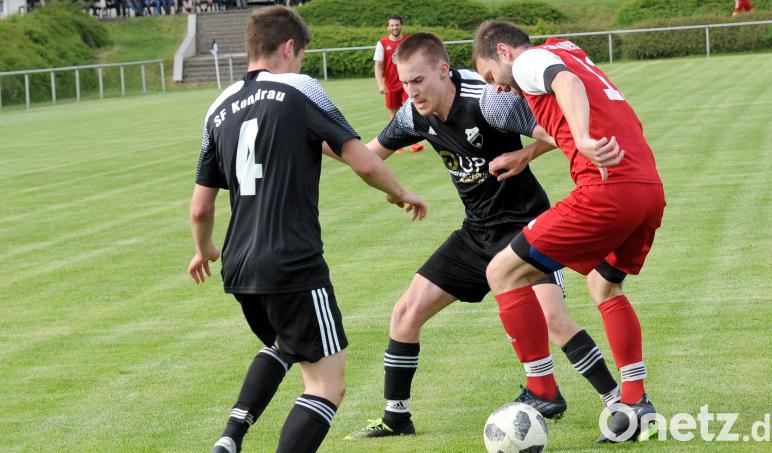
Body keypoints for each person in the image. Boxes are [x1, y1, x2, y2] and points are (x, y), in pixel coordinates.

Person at [333, 33, 621, 440]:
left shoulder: (488, 99)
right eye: (404, 82)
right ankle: (396, 417)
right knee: (405, 312)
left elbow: (559, 133)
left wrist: (524, 154)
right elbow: (366, 157)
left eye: (418, 80)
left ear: (442, 69)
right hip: (476, 232)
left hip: (525, 225)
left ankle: (619, 404)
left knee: (554, 320)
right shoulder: (413, 116)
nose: (410, 91)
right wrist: (317, 139)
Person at [188, 7, 427, 453]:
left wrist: (204, 251)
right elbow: (361, 159)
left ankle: (229, 439)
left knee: (284, 344)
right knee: (326, 385)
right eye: (300, 56)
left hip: (240, 266)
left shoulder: (217, 107)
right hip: (292, 261)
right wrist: (400, 192)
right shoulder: (301, 88)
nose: (300, 65)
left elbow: (202, 207)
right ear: (288, 48)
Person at [472, 21, 665, 443]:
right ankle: (635, 403)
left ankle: (542, 388)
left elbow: (566, 84)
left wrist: (582, 138)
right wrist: (528, 151)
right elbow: (571, 86)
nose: (497, 88)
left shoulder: (526, 62)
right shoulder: (566, 47)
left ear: (503, 51)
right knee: (604, 286)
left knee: (502, 272)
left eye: (490, 76)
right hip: (647, 189)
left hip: (606, 189)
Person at [373, 14, 424, 153]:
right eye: (392, 25)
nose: (395, 27)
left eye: (397, 25)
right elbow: (378, 65)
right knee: (394, 113)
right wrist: (380, 84)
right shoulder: (382, 43)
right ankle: (397, 144)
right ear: (388, 27)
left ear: (401, 25)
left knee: (412, 111)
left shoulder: (408, 41)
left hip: (408, 83)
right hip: (391, 85)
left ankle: (414, 143)